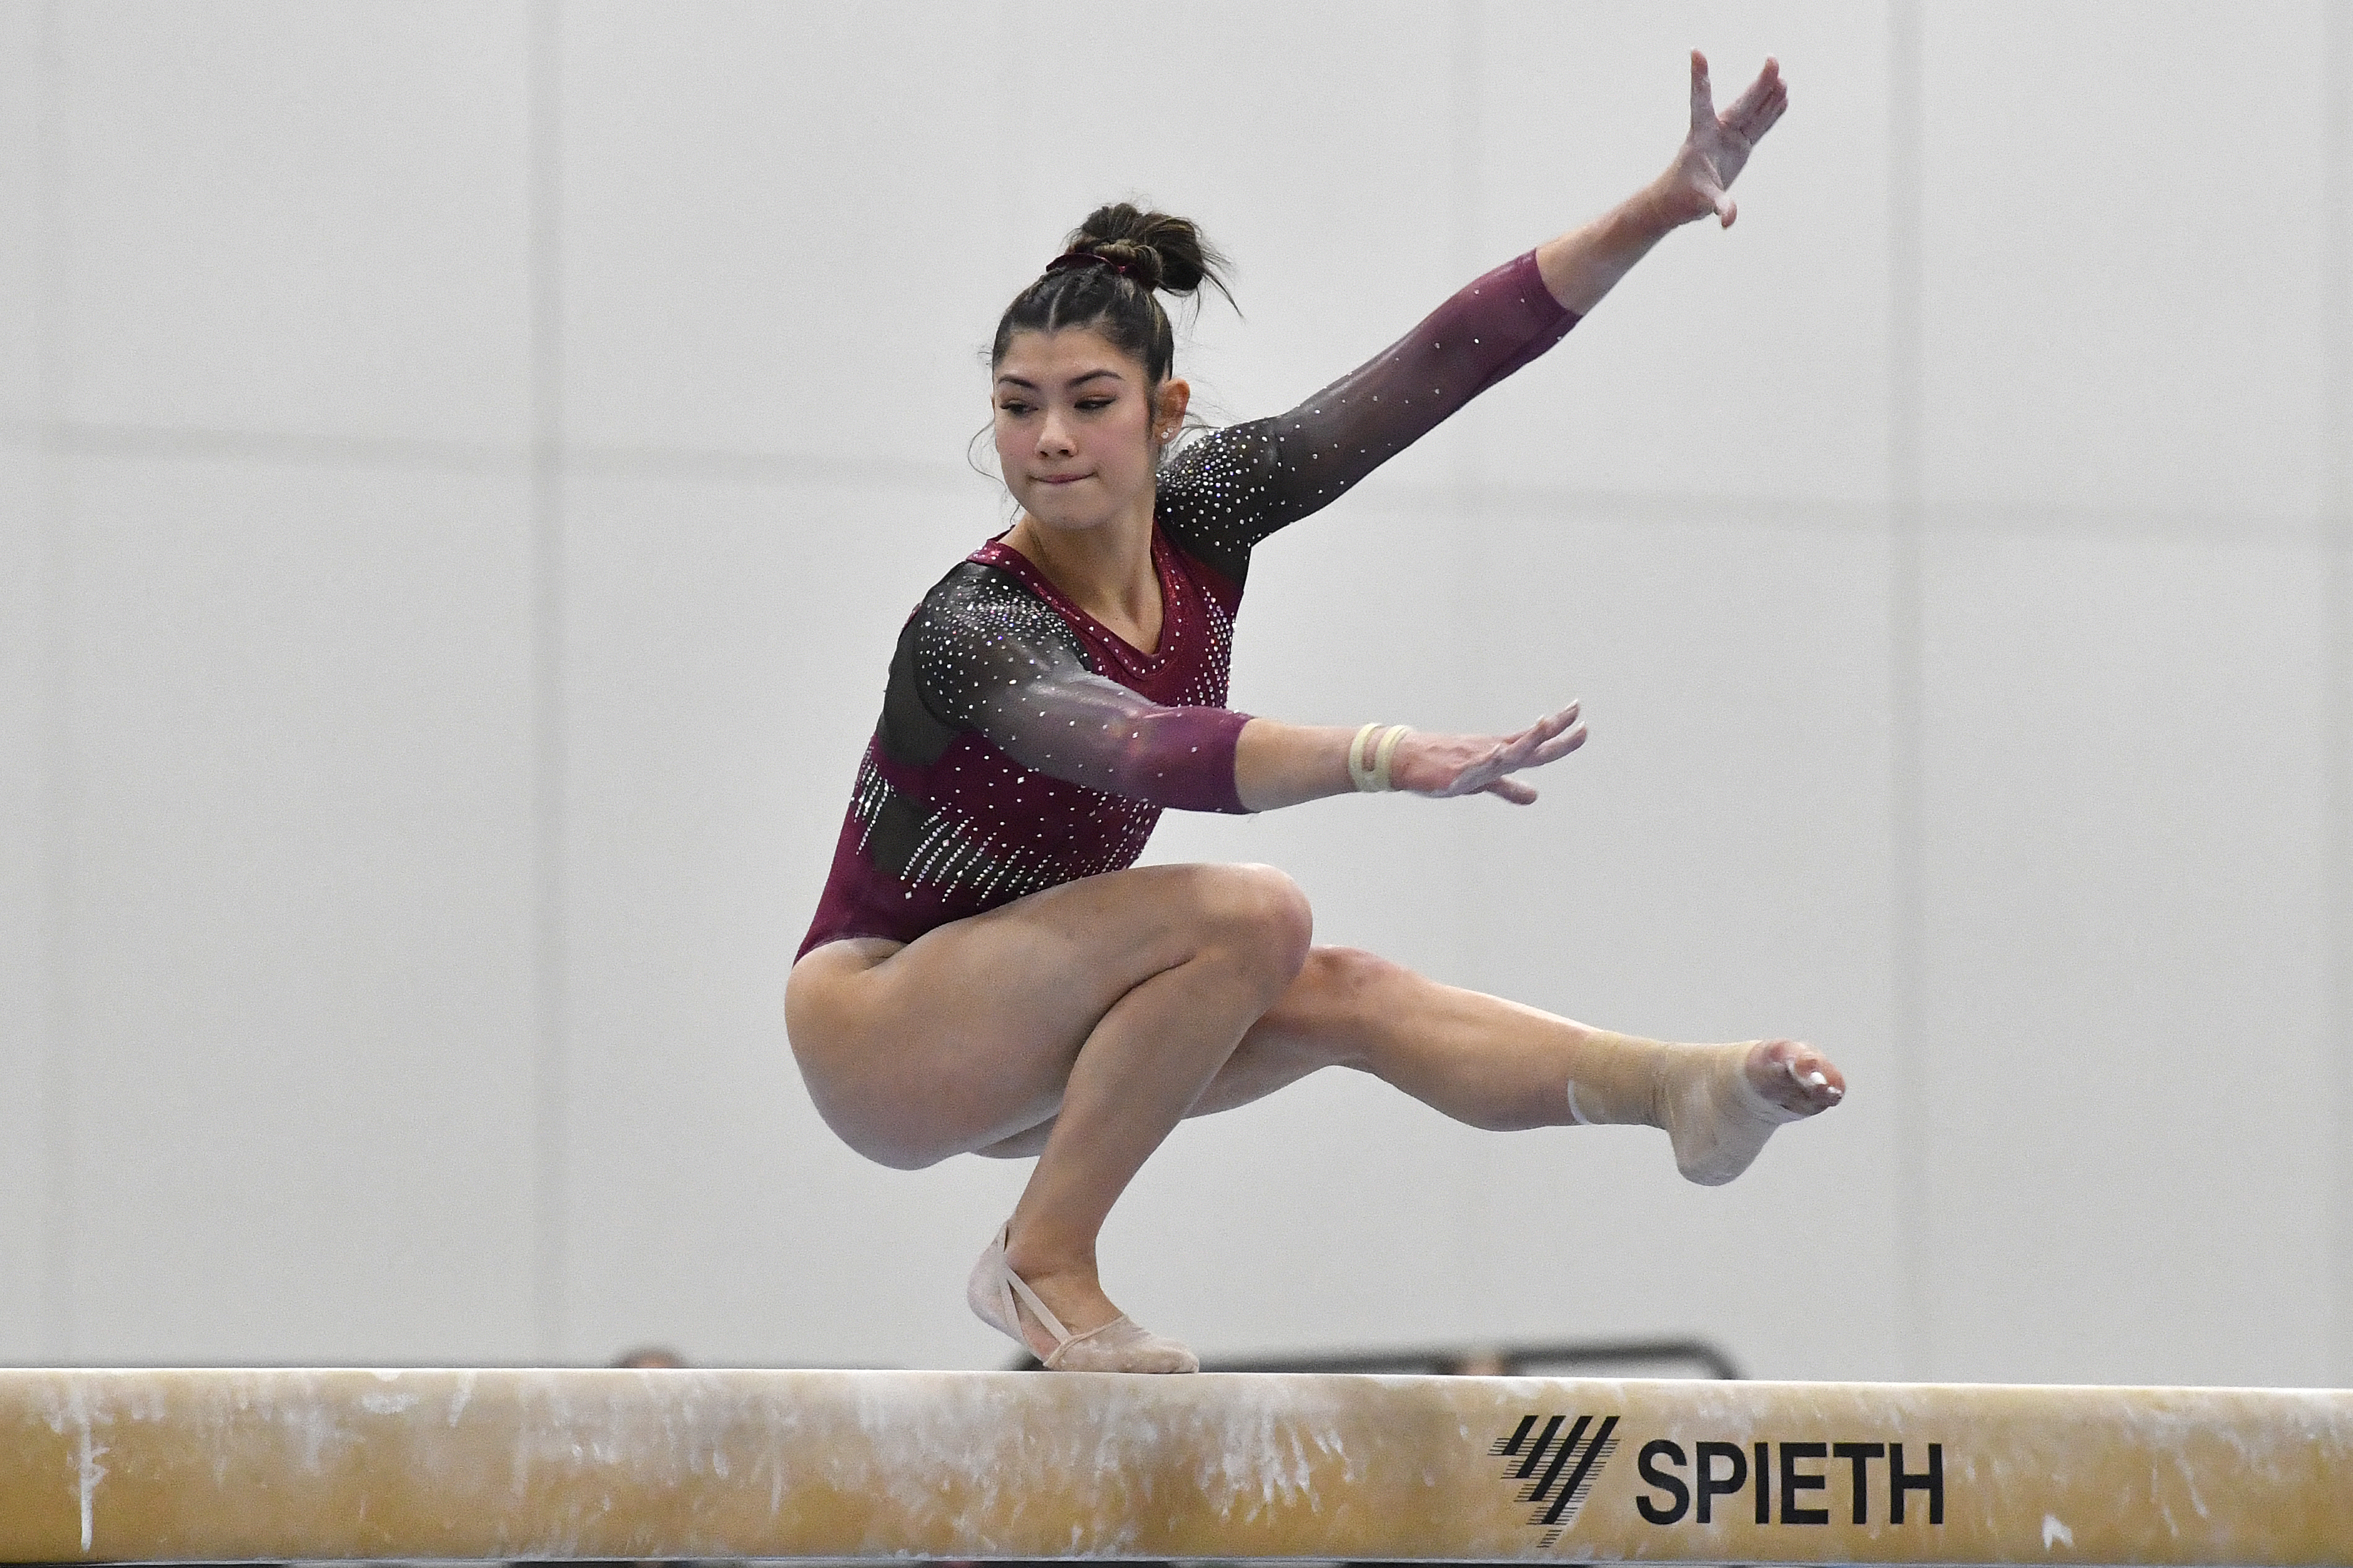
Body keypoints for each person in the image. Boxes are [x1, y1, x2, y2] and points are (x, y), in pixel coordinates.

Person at [786, 51, 1840, 1374]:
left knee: (1345, 989)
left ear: (1165, 413)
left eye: (1090, 403)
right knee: (1254, 913)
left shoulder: (1211, 513)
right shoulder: (975, 629)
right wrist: (1383, 757)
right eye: (1017, 408)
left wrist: (1661, 204)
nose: (1051, 437)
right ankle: (1043, 1258)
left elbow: (1440, 365)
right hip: (883, 1025)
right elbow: (1141, 743)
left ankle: (1671, 1087)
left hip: (1040, 1026)